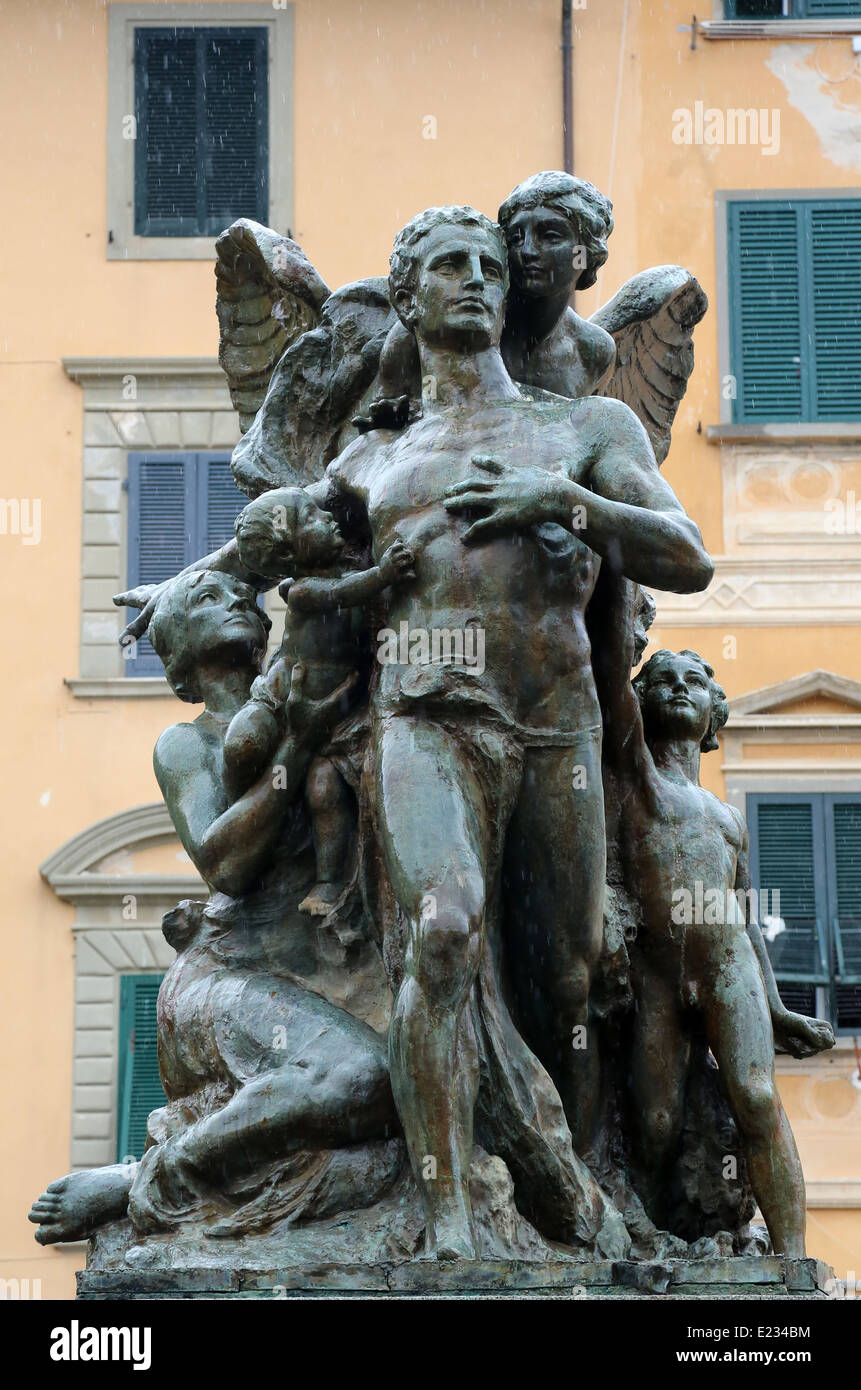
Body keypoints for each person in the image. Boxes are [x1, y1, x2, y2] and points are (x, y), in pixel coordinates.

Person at [29, 570, 398, 1246]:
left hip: (337, 973)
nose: (234, 598)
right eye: (205, 597)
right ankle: (150, 1179)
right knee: (362, 1077)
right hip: (232, 975)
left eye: (242, 596)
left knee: (400, 1134)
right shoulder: (186, 743)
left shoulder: (327, 700)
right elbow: (224, 864)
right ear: (179, 664)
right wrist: (296, 743)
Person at [592, 575, 835, 1255]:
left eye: (693, 683)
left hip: (727, 964)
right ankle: (639, 1239)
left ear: (712, 716)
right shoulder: (633, 774)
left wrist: (780, 1006)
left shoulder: (728, 816)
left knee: (756, 1100)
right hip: (656, 973)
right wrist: (614, 586)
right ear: (639, 703)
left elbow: (748, 916)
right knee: (653, 1119)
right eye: (662, 679)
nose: (677, 688)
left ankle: (790, 1258)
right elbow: (609, 674)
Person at [226, 486, 414, 917]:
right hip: (296, 698)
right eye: (310, 519)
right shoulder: (304, 592)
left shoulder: (342, 568)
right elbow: (346, 594)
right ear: (289, 553)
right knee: (307, 782)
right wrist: (385, 574)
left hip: (342, 709)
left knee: (324, 788)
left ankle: (333, 879)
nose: (327, 518)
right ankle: (322, 878)